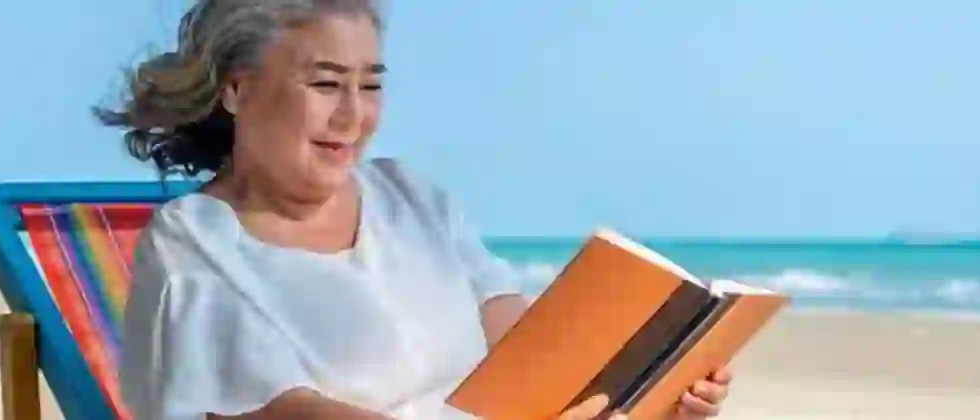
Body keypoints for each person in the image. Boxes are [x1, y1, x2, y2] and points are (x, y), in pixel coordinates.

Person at [93, 1, 733, 419]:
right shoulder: (196, 245)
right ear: (238, 89)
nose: (353, 115)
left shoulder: (411, 201)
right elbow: (292, 412)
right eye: (324, 83)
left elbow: (531, 351)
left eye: (370, 84)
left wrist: (648, 393)